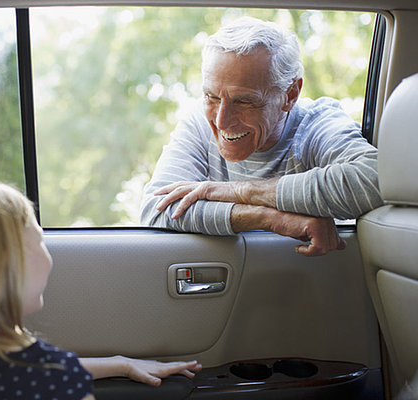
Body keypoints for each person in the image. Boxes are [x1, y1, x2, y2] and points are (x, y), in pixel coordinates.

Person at [0, 180, 201, 400]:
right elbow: (46, 372)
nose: (48, 255)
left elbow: (30, 369)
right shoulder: (55, 381)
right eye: (39, 241)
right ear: (7, 268)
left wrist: (120, 364)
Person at [140, 16, 383, 256]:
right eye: (211, 97)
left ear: (290, 95)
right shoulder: (199, 123)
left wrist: (239, 192)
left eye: (244, 101)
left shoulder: (316, 122)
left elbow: (376, 181)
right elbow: (157, 208)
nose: (221, 120)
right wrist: (269, 218)